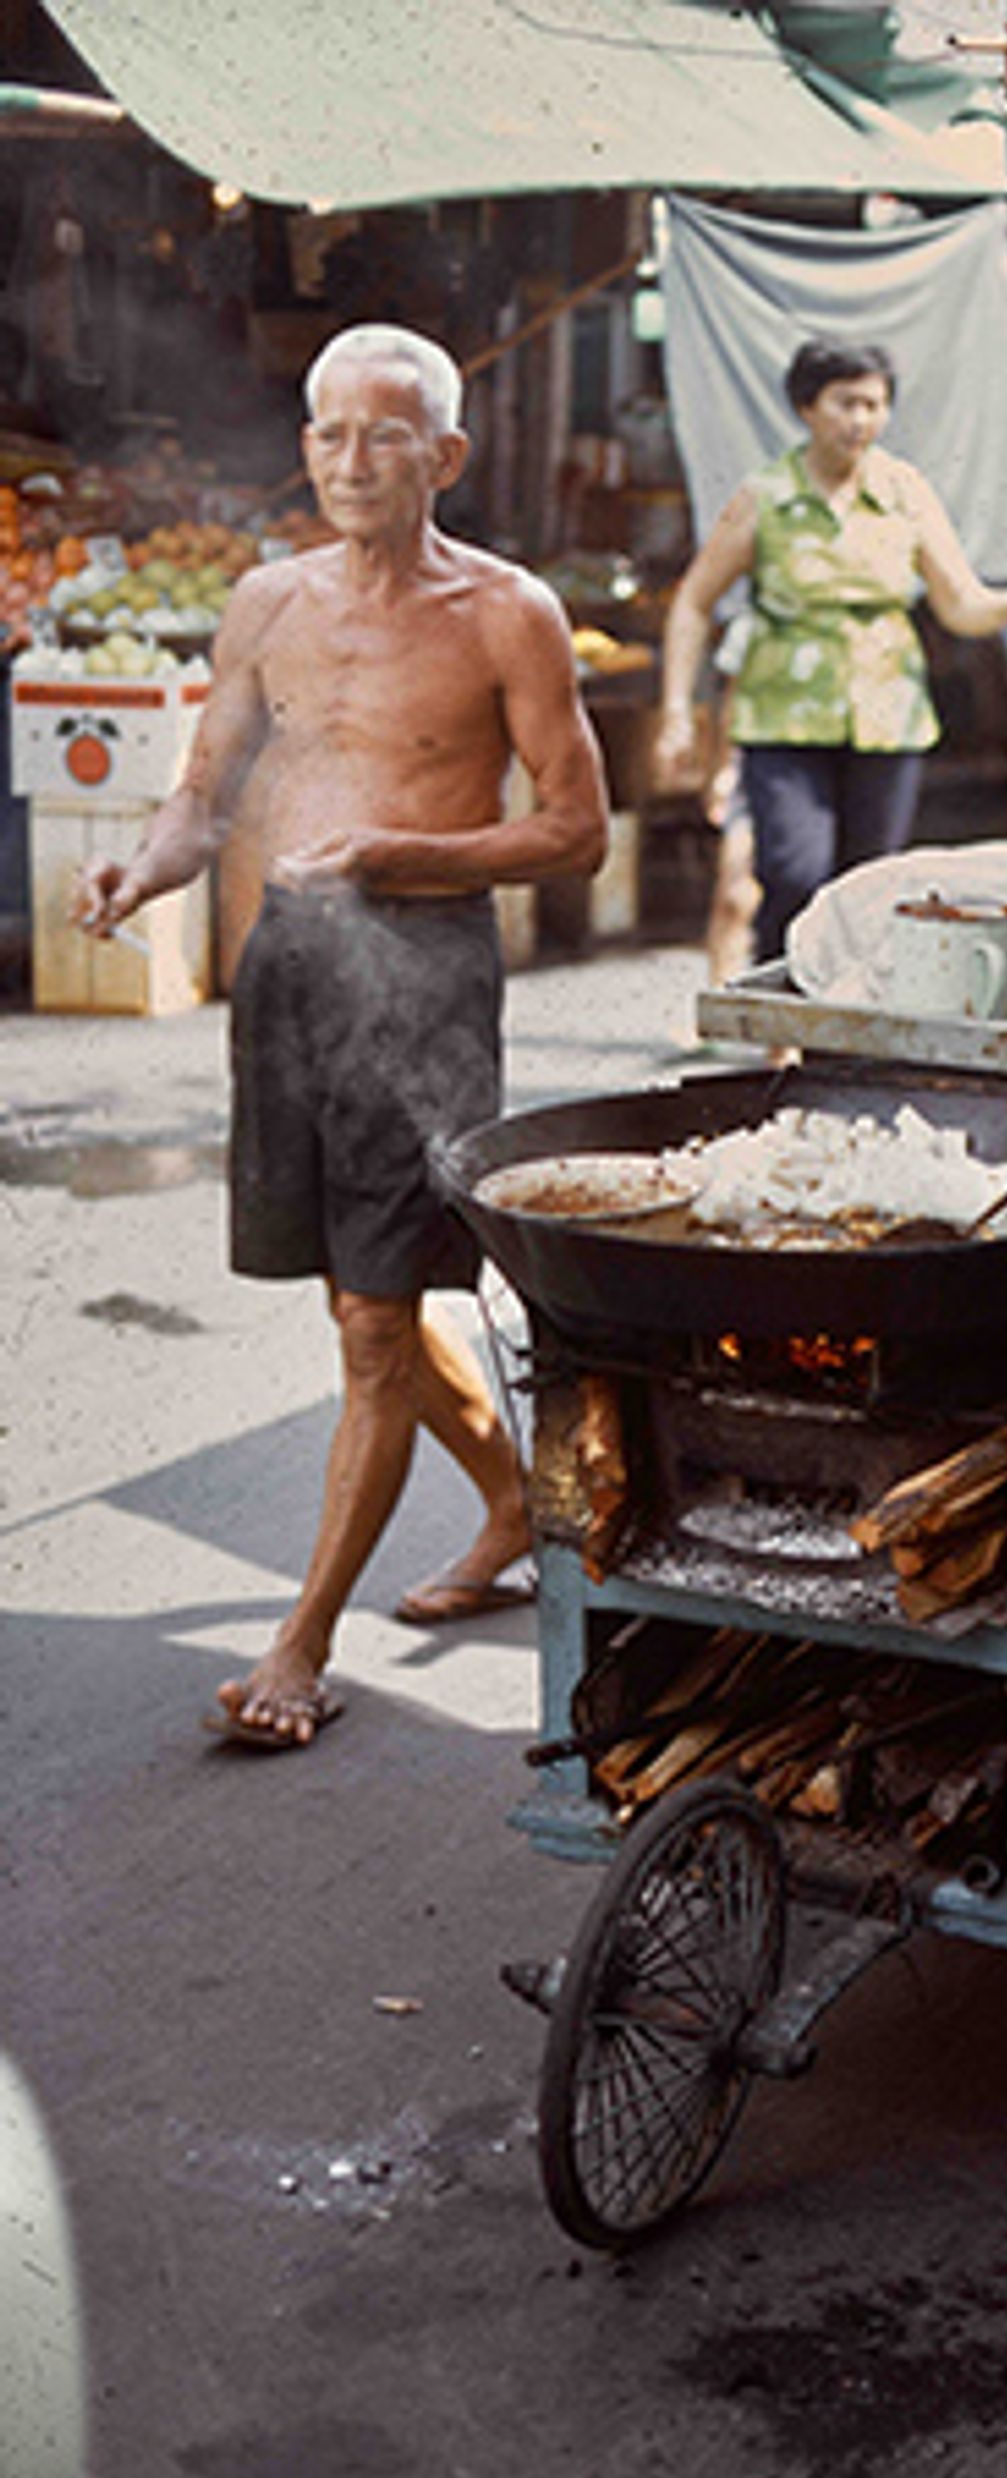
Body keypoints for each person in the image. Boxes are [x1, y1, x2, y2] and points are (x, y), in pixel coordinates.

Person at [73, 322, 609, 1748]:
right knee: (355, 1302)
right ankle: (508, 1499)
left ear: (445, 455)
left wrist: (404, 854)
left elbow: (576, 828)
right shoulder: (265, 601)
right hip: (290, 975)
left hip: (422, 974)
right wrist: (142, 865)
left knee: (375, 1319)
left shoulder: (510, 612)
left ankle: (303, 1643)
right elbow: (204, 790)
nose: (349, 460)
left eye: (383, 434)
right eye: (327, 432)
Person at [655, 339, 1007, 965]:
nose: (861, 420)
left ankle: (851, 1042)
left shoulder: (905, 490)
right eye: (845, 403)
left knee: (871, 887)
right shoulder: (765, 496)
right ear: (806, 407)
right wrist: (675, 713)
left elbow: (960, 604)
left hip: (887, 713)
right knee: (794, 870)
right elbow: (693, 603)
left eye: (875, 405)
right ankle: (785, 1015)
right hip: (782, 712)